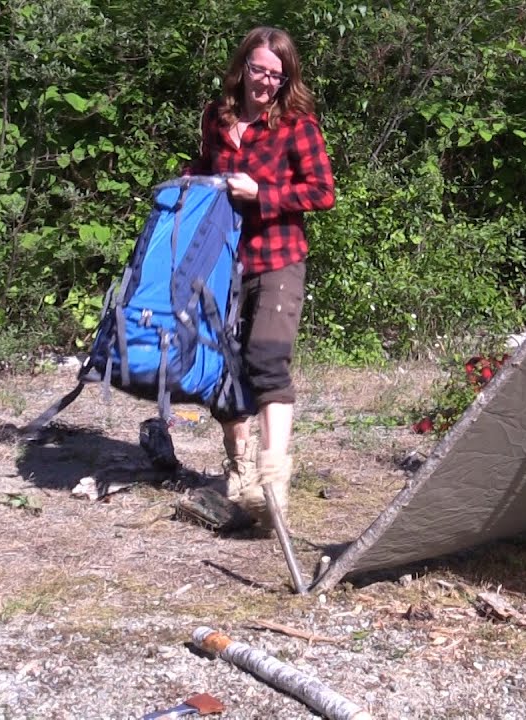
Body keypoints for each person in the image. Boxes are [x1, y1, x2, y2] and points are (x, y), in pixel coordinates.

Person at [184, 26, 335, 531]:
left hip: (279, 257)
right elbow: (206, 165)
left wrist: (262, 193)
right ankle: (240, 471)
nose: (265, 82)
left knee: (267, 360)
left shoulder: (298, 126)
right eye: (258, 70)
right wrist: (189, 180)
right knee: (223, 369)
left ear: (285, 78)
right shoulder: (217, 117)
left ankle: (273, 484)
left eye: (276, 74)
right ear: (242, 68)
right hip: (224, 260)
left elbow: (322, 192)